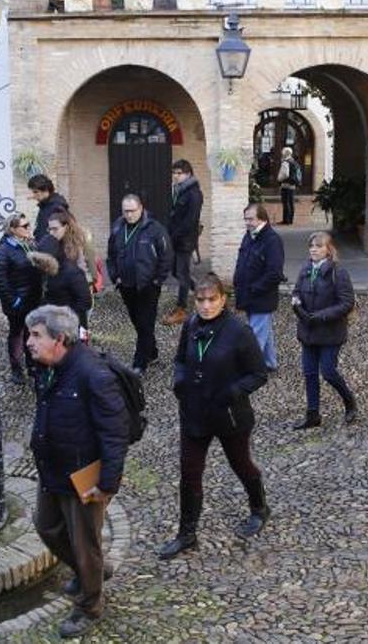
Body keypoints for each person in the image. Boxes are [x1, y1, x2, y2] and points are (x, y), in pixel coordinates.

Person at [26, 305, 130, 639]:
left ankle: (90, 604)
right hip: (53, 470)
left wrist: (107, 483)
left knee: (85, 546)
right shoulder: (49, 367)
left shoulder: (92, 375)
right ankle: (93, 572)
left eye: (36, 335)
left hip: (83, 477)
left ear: (60, 339)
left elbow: (114, 433)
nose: (29, 342)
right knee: (47, 527)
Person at [158, 273, 270, 560]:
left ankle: (259, 508)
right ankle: (187, 534)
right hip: (194, 412)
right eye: (201, 300)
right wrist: (179, 381)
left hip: (229, 414)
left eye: (212, 300)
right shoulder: (191, 324)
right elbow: (180, 360)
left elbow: (258, 374)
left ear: (223, 300)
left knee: (241, 464)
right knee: (189, 472)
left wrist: (232, 392)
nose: (206, 306)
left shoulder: (239, 331)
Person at [291, 231, 358, 429]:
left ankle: (349, 402)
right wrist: (298, 307)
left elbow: (346, 302)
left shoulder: (339, 272)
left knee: (328, 372)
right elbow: (296, 292)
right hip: (308, 331)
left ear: (329, 250)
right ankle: (313, 415)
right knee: (309, 373)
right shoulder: (305, 268)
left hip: (330, 332)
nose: (313, 249)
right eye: (311, 246)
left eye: (318, 246)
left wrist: (321, 316)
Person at [106, 194, 173, 373]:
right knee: (138, 322)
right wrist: (115, 277)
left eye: (132, 211)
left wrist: (158, 280)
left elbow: (166, 255)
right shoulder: (118, 228)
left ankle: (139, 363)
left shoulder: (154, 229)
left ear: (141, 208)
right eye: (125, 211)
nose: (129, 215)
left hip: (147, 286)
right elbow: (111, 255)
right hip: (126, 285)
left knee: (145, 323)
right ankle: (152, 353)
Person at [232, 203, 286, 372]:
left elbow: (275, 273)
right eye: (245, 219)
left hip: (261, 297)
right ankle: (270, 362)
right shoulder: (249, 236)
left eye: (250, 219)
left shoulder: (272, 240)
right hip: (248, 294)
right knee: (263, 331)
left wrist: (255, 288)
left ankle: (248, 369)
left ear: (262, 219)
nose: (247, 223)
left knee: (255, 335)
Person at [0, 214, 44, 384]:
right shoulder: (3, 251)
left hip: (33, 299)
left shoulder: (29, 245)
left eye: (28, 224)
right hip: (17, 303)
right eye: (24, 226)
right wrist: (14, 301)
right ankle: (16, 369)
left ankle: (32, 365)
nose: (29, 228)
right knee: (17, 334)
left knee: (32, 333)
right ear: (13, 229)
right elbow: (0, 281)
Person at [163, 159, 204, 326]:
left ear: (188, 174)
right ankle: (203, 292)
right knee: (176, 271)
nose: (175, 176)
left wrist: (175, 235)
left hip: (185, 240)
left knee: (181, 273)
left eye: (179, 173)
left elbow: (190, 221)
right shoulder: (179, 190)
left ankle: (181, 309)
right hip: (175, 238)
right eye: (173, 173)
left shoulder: (194, 194)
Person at [30, 251, 92, 330]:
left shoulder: (72, 273)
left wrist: (64, 317)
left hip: (71, 324)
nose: (41, 266)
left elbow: (85, 301)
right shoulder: (45, 272)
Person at [29, 174, 70, 243]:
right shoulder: (45, 205)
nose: (34, 196)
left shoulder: (56, 206)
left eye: (36, 192)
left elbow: (56, 233)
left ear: (45, 190)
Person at [277, 147, 302, 225]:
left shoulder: (286, 162)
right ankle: (290, 220)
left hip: (286, 184)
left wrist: (279, 179)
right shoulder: (293, 161)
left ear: (285, 153)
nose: (282, 154)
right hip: (292, 185)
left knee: (286, 203)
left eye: (283, 153)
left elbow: (285, 174)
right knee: (291, 203)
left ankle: (286, 220)